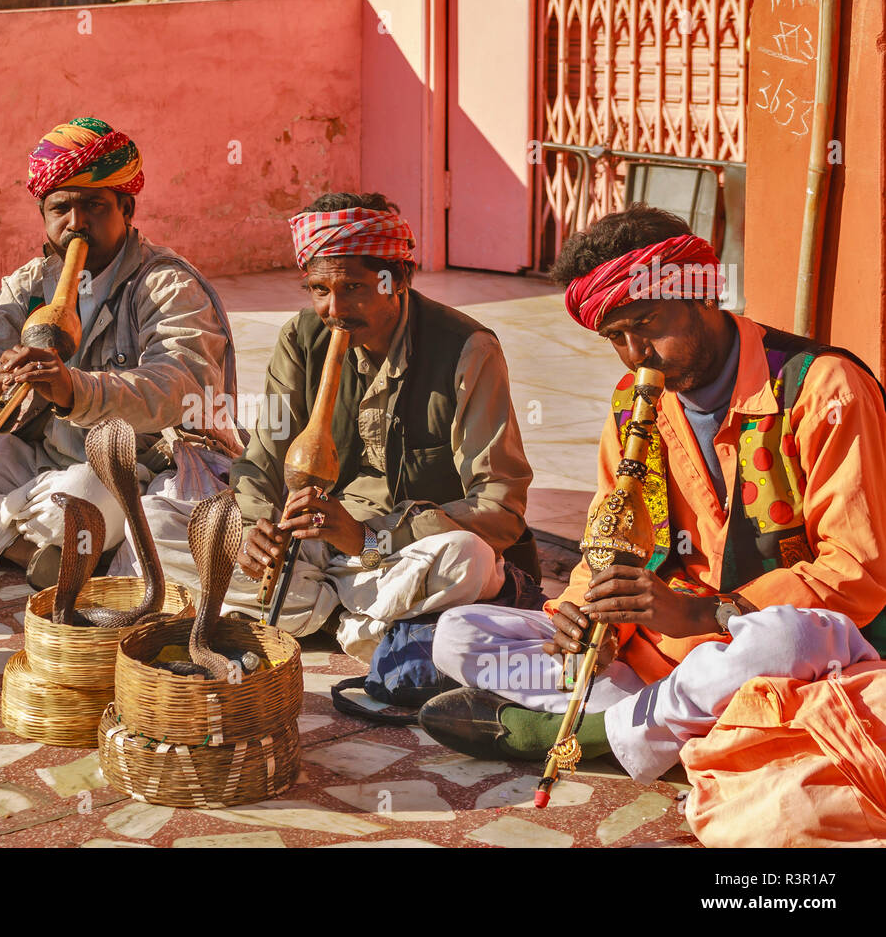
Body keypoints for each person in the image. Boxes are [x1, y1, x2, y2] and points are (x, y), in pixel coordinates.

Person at [422, 204, 886, 783]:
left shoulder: (822, 387)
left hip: (770, 647)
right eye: (615, 337)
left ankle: (585, 736)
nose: (636, 353)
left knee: (786, 636)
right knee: (460, 636)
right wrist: (587, 614)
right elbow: (607, 543)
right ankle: (682, 725)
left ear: (703, 295)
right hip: (661, 655)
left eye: (645, 324)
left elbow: (856, 572)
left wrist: (702, 613)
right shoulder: (631, 403)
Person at [0, 117, 241, 583]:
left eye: (94, 205)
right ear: (44, 216)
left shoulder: (167, 284)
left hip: (134, 469)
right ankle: (27, 551)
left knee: (86, 494)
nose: (76, 222)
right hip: (40, 461)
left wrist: (76, 391)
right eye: (60, 208)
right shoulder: (29, 283)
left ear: (126, 208)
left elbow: (184, 386)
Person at [200, 192, 536, 661]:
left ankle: (323, 611)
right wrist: (254, 527)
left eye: (353, 288)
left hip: (397, 550)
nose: (334, 309)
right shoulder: (301, 337)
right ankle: (367, 621)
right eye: (319, 290)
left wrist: (369, 539)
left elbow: (501, 506)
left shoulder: (468, 349)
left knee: (469, 559)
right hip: (318, 547)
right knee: (166, 521)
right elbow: (262, 459)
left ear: (400, 279)